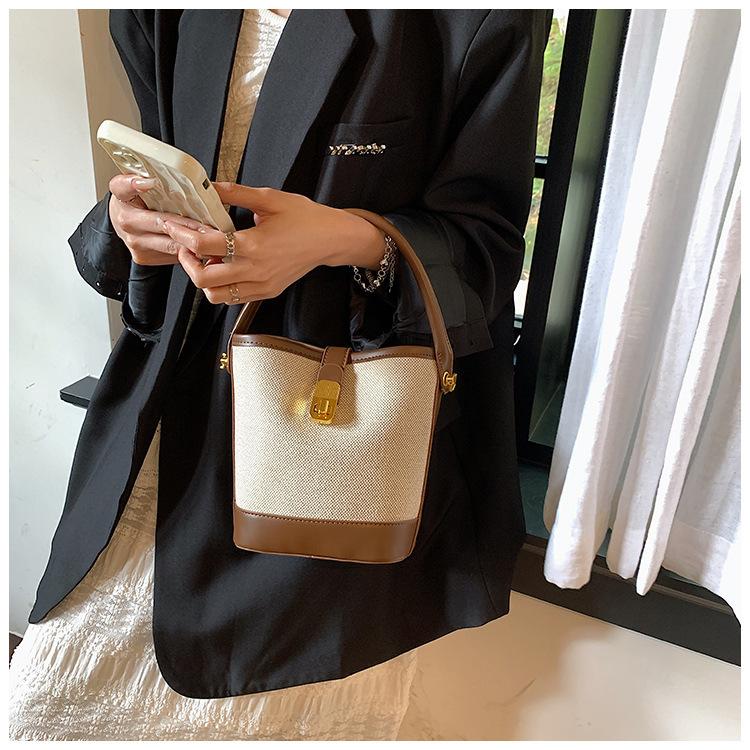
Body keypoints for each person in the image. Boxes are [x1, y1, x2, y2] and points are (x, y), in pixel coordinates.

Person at [9, 8, 552, 740]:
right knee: (42, 708)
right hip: (159, 435)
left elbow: (485, 252)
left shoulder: (474, 20)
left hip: (324, 463)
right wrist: (131, 223)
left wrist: (344, 239)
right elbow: (169, 159)